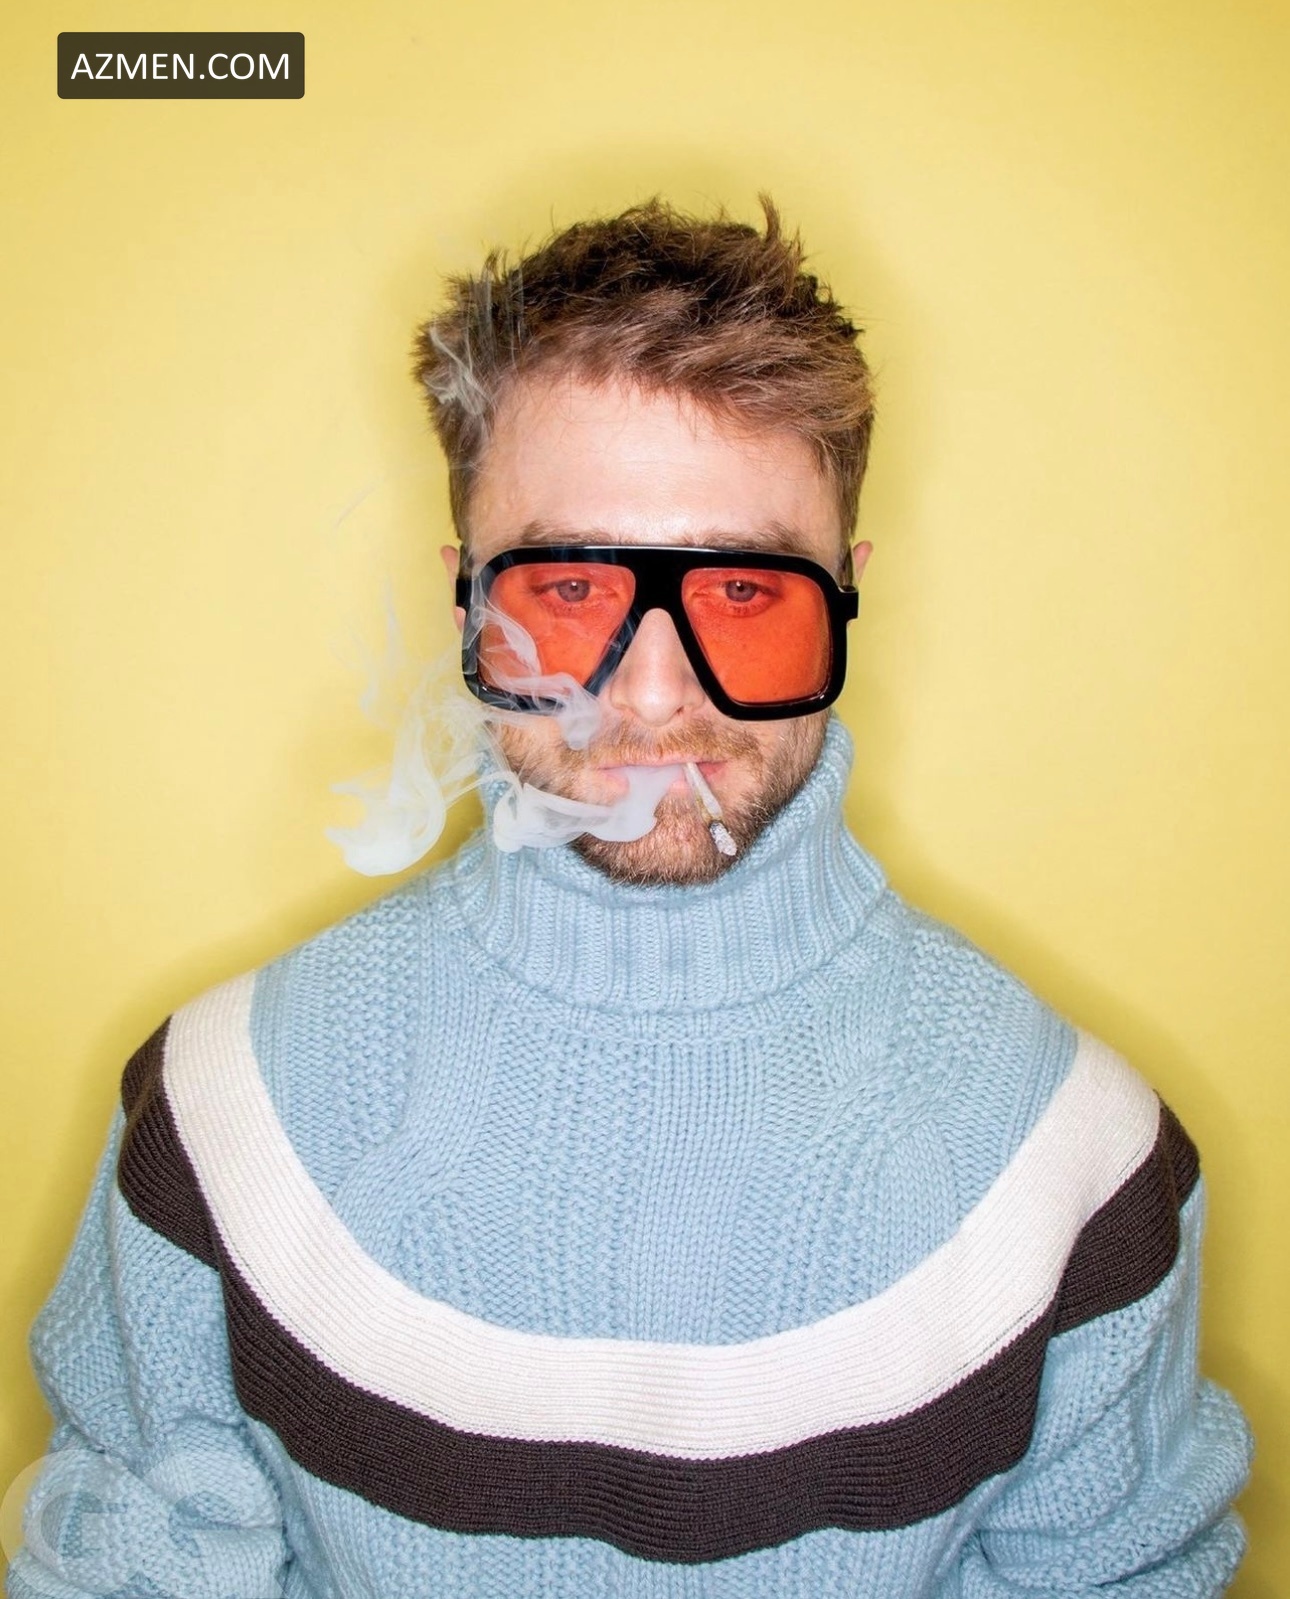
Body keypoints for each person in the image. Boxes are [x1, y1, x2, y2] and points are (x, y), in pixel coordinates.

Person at [8, 199, 1252, 1599]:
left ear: (845, 600)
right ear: (467, 605)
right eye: (572, 588)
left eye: (744, 594)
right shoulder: (221, 1108)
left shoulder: (1079, 1159)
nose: (653, 698)